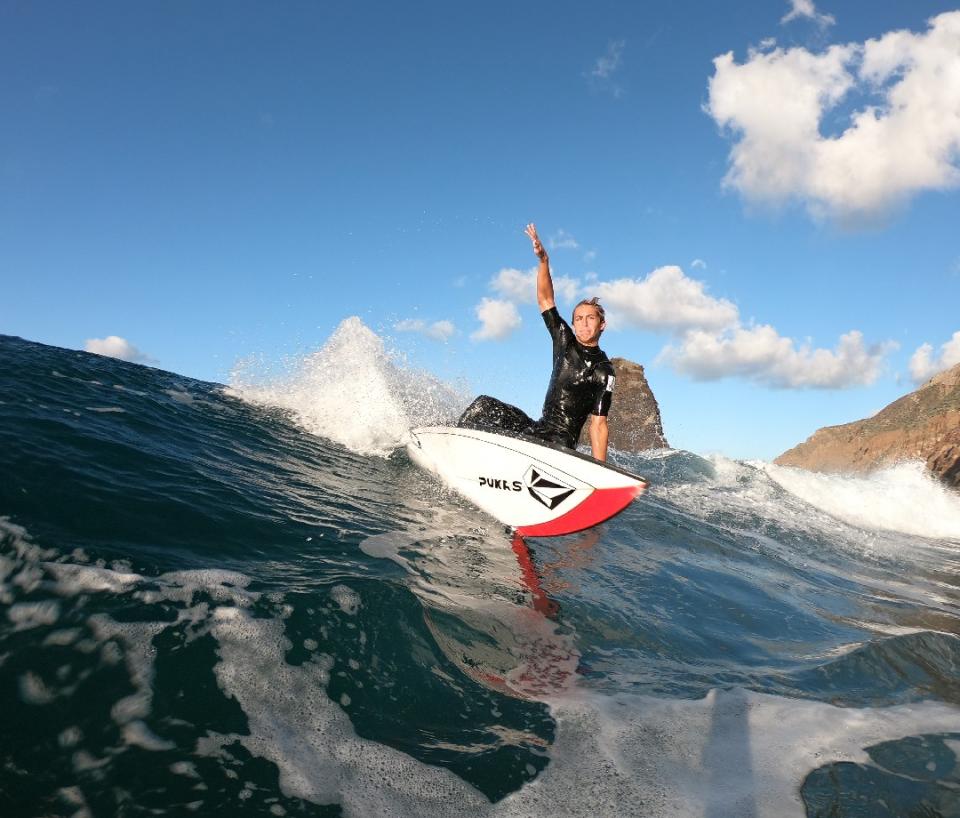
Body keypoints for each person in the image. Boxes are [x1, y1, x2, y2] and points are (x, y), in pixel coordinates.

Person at [458, 223, 616, 461]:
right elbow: (545, 299)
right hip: (537, 430)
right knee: (483, 405)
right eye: (579, 319)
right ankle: (454, 448)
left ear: (602, 324)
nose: (583, 324)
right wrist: (544, 261)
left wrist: (599, 471)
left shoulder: (605, 372)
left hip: (559, 444)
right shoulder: (565, 341)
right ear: (573, 324)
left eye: (590, 318)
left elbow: (598, 425)